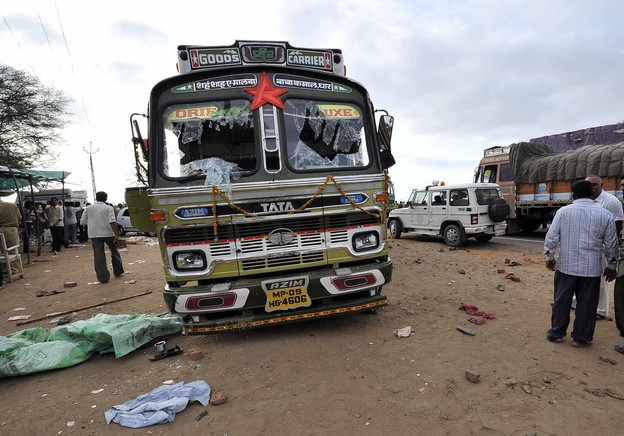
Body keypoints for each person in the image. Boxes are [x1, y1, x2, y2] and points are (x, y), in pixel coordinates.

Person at [545, 180, 619, 348]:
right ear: (593, 194)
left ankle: (557, 333)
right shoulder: (605, 214)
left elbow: (551, 237)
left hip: (566, 267)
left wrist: (549, 257)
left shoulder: (563, 212)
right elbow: (612, 244)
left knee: (561, 301)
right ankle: (581, 338)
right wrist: (612, 266)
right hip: (591, 269)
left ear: (573, 194)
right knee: (587, 304)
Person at [571, 175, 624, 319]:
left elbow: (618, 225)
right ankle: (576, 303)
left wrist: (611, 250)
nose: (593, 188)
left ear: (602, 185)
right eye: (590, 185)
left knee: (601, 279)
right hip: (586, 245)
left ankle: (600, 311)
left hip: (602, 247)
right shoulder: (583, 199)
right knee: (581, 276)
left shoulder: (611, 202)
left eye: (595, 185)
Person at [80, 191, 124, 283]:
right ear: (106, 199)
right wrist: (116, 235)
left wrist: (92, 222)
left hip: (94, 234)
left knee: (99, 255)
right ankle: (118, 271)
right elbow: (112, 221)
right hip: (108, 233)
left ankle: (103, 277)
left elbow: (82, 222)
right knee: (114, 251)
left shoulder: (88, 208)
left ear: (96, 198)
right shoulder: (108, 208)